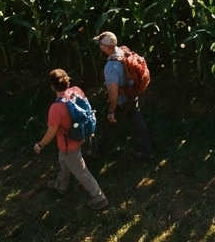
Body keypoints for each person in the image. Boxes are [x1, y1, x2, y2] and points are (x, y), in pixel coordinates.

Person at [34, 68, 109, 209]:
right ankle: (61, 185)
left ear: (52, 86)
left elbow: (51, 132)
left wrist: (40, 145)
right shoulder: (76, 91)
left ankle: (99, 198)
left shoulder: (56, 108)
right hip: (80, 135)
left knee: (81, 171)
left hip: (69, 144)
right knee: (63, 160)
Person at [93, 31, 155, 161]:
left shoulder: (110, 67)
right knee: (139, 124)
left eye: (101, 44)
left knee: (109, 125)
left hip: (121, 101)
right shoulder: (122, 52)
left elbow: (113, 93)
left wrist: (111, 111)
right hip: (132, 96)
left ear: (108, 47)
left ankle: (100, 153)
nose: (99, 45)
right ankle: (148, 151)